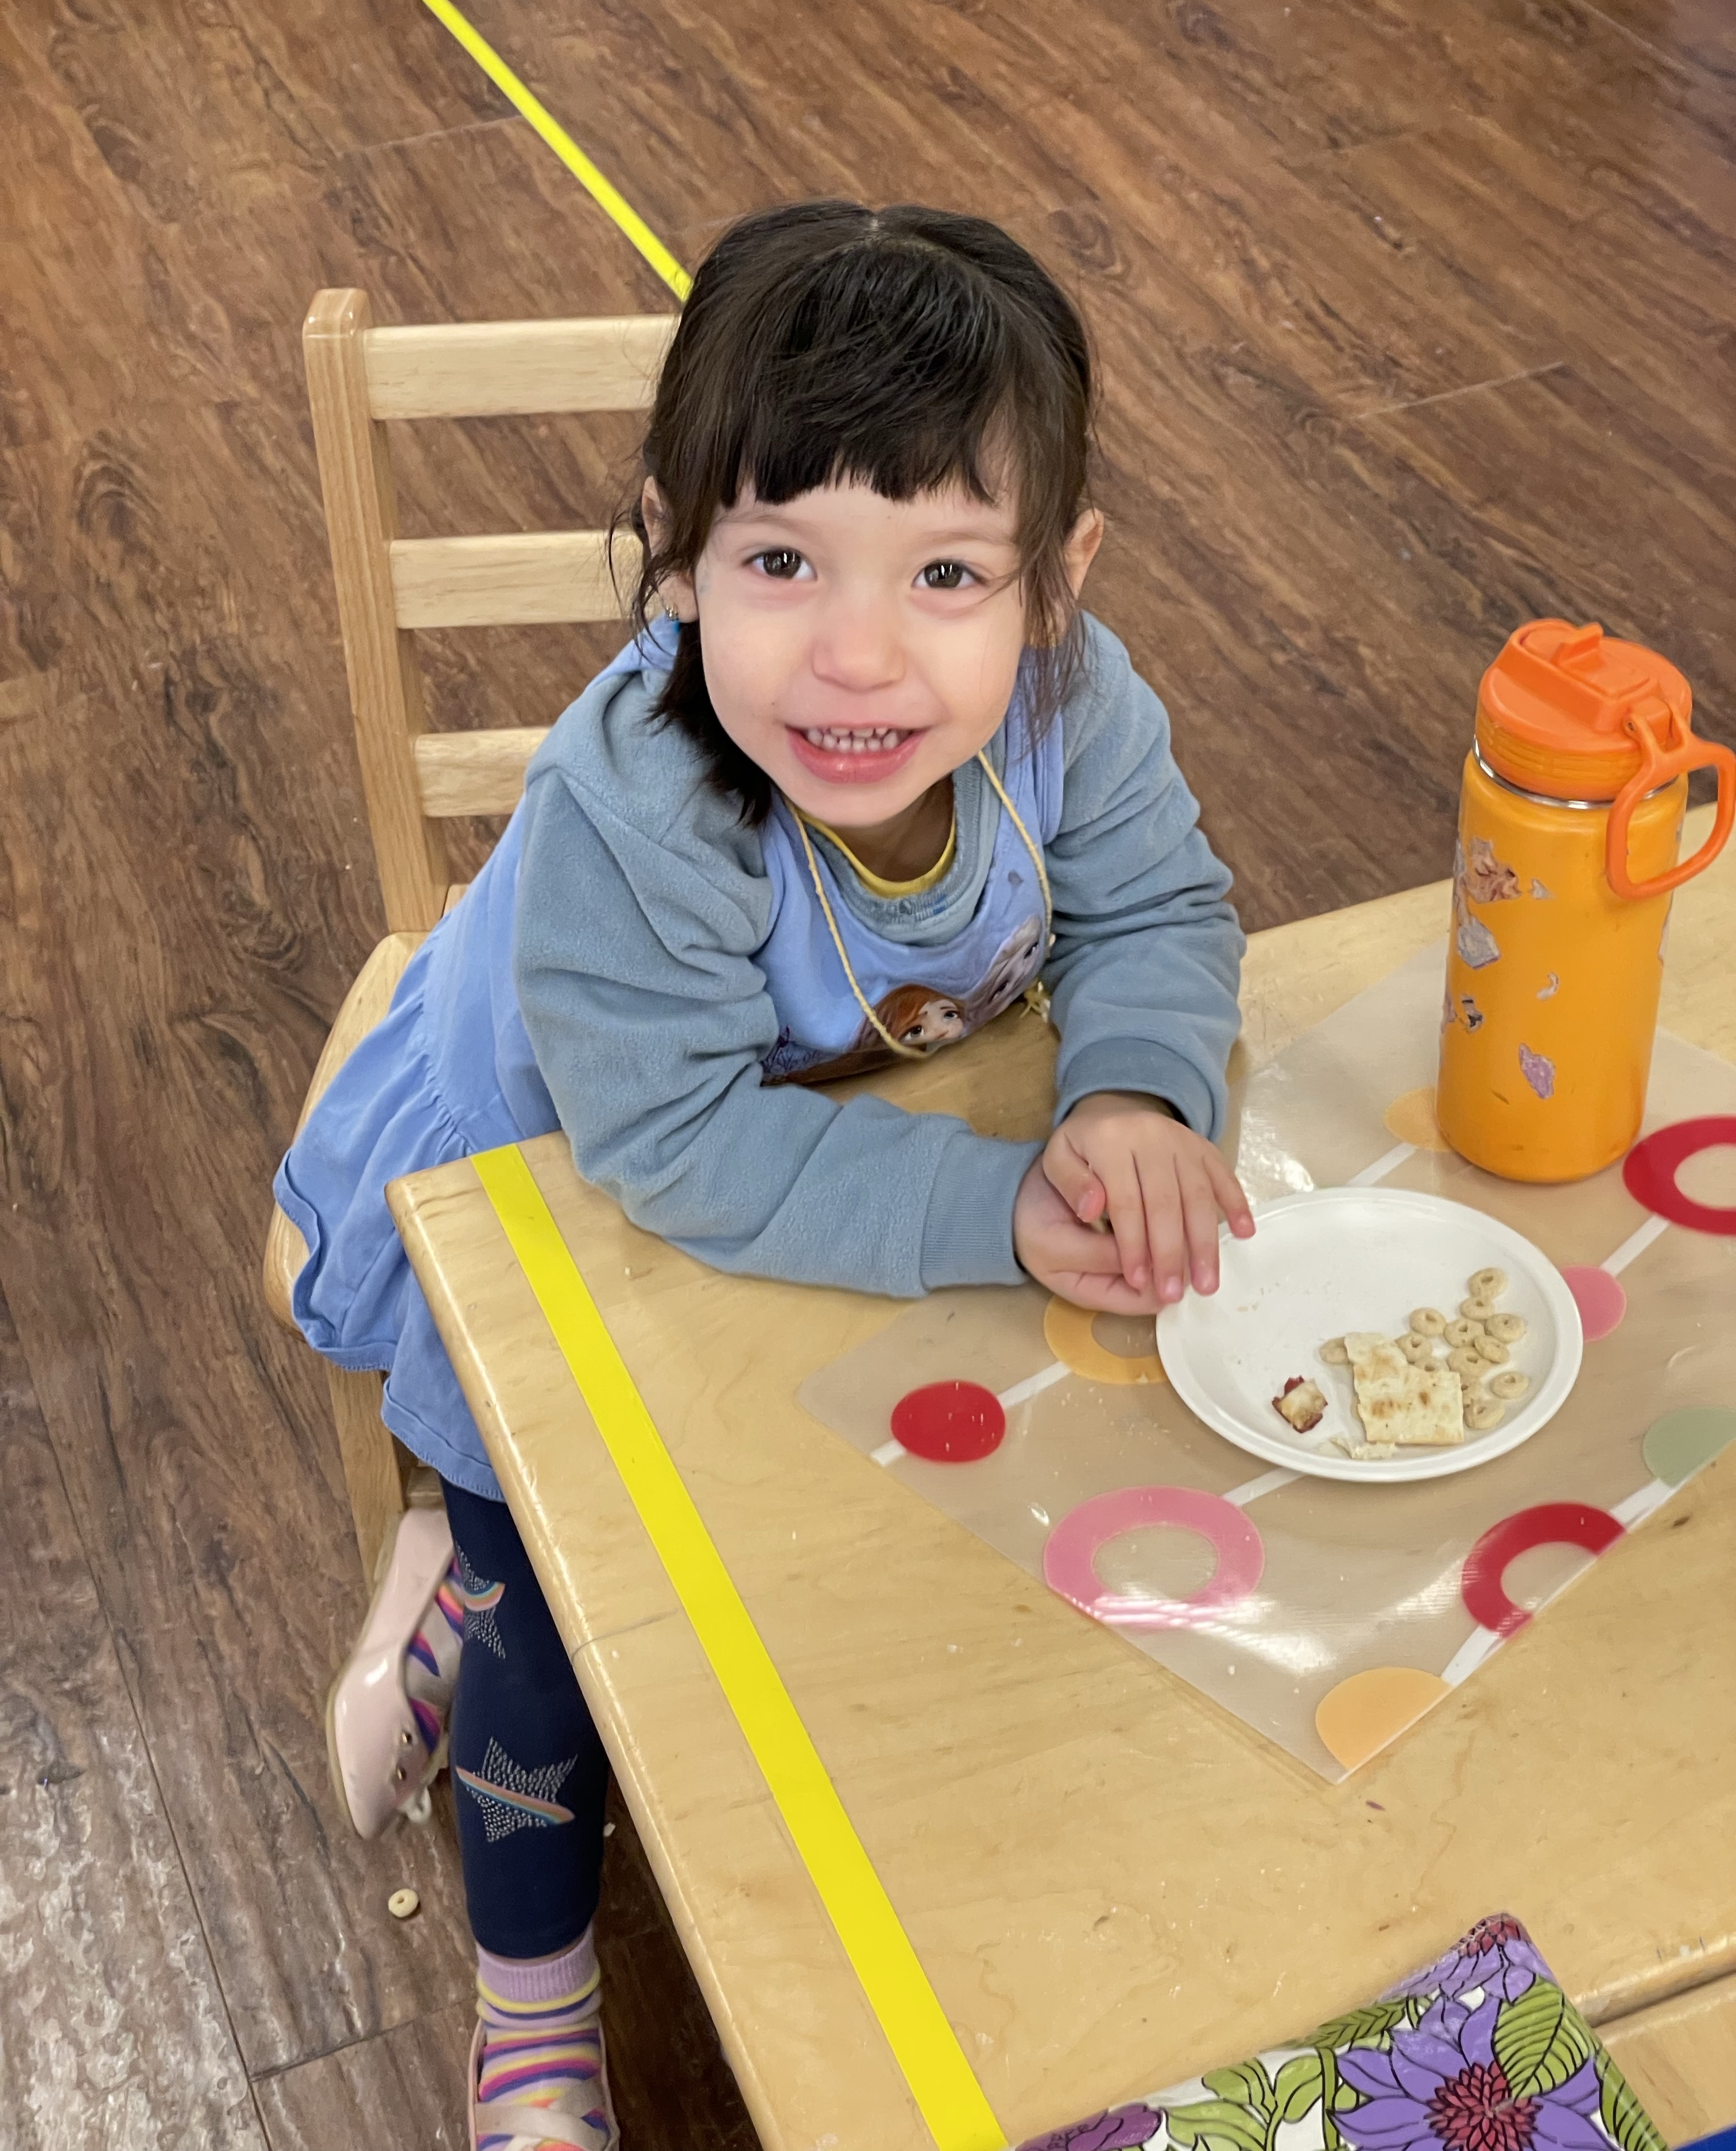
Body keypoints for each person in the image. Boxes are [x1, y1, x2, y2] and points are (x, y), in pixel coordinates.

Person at [277, 200, 1252, 2151]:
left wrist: (1140, 1091)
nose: (858, 654)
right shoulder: (634, 803)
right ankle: (531, 1983)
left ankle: (450, 1583)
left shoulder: (1076, 702)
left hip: (821, 1135)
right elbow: (672, 1146)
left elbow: (1157, 907)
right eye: (782, 560)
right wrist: (996, 1210)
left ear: (1058, 582)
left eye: (949, 572)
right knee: (558, 1615)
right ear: (676, 554)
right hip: (555, 1180)